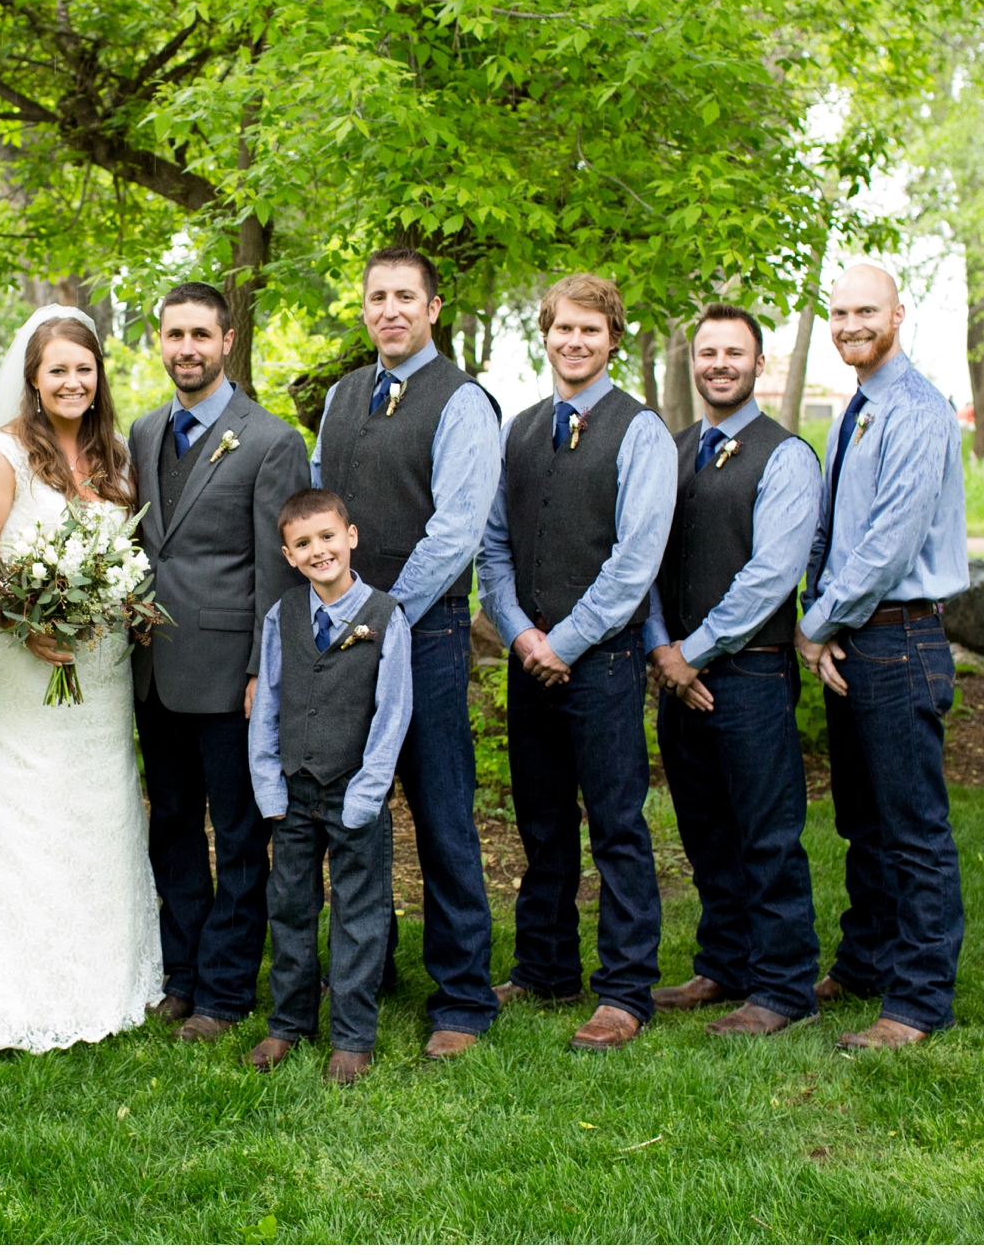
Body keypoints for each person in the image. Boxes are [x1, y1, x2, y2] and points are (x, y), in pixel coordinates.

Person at [0, 308, 162, 1052]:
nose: (73, 381)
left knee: (96, 804)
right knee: (25, 804)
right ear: (33, 378)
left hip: (101, 667)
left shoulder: (117, 455)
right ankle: (4, 985)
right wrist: (29, 621)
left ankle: (96, 978)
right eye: (58, 370)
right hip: (24, 663)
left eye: (84, 368)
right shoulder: (3, 456)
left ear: (98, 376)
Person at [309, 246, 502, 1060]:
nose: (389, 309)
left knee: (440, 805)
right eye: (376, 297)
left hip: (420, 635)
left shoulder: (463, 402)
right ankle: (367, 963)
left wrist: (380, 615)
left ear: (432, 308)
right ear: (365, 310)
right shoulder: (343, 395)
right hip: (344, 633)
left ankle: (463, 995)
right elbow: (319, 501)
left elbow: (456, 530)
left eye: (404, 297)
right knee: (352, 809)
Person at [477, 272, 677, 1053]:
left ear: (612, 338)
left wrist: (566, 641)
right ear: (546, 333)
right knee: (542, 821)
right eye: (563, 328)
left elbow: (636, 560)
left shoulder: (641, 431)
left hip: (605, 660)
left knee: (617, 824)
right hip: (529, 657)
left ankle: (626, 988)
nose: (575, 341)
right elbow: (493, 547)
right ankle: (547, 966)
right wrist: (523, 634)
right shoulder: (519, 429)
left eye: (591, 330)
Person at [126, 282, 309, 1043]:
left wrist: (264, 677)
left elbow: (280, 575)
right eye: (174, 335)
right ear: (160, 342)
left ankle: (226, 992)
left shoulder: (269, 440)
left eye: (201, 333)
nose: (187, 348)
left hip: (232, 674)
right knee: (169, 827)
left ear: (228, 340)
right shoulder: (141, 431)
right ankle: (182, 974)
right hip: (152, 669)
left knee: (237, 836)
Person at [797, 262, 969, 1051]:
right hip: (855, 639)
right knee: (863, 822)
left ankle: (920, 998)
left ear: (899, 313)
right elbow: (834, 534)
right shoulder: (853, 410)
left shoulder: (920, 410)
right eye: (838, 312)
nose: (849, 324)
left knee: (912, 828)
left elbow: (891, 542)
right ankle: (867, 961)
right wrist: (825, 621)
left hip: (900, 639)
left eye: (865, 309)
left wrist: (816, 621)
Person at [642, 305, 824, 1037]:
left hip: (749, 669)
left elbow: (772, 574)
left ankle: (783, 985)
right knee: (705, 826)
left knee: (766, 830)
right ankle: (725, 962)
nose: (719, 363)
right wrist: (663, 649)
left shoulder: (786, 455)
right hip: (677, 669)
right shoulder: (672, 448)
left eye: (734, 352)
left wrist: (695, 650)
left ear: (758, 363)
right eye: (708, 352)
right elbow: (645, 559)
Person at [245, 490, 412, 1086]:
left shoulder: (387, 617)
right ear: (289, 555)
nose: (319, 551)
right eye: (304, 543)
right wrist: (269, 785)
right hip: (292, 792)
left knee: (359, 914)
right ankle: (289, 1023)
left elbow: (393, 714)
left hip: (353, 794)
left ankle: (352, 1035)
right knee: (288, 908)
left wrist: (369, 794)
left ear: (352, 536)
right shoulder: (282, 617)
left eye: (328, 537)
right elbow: (267, 704)